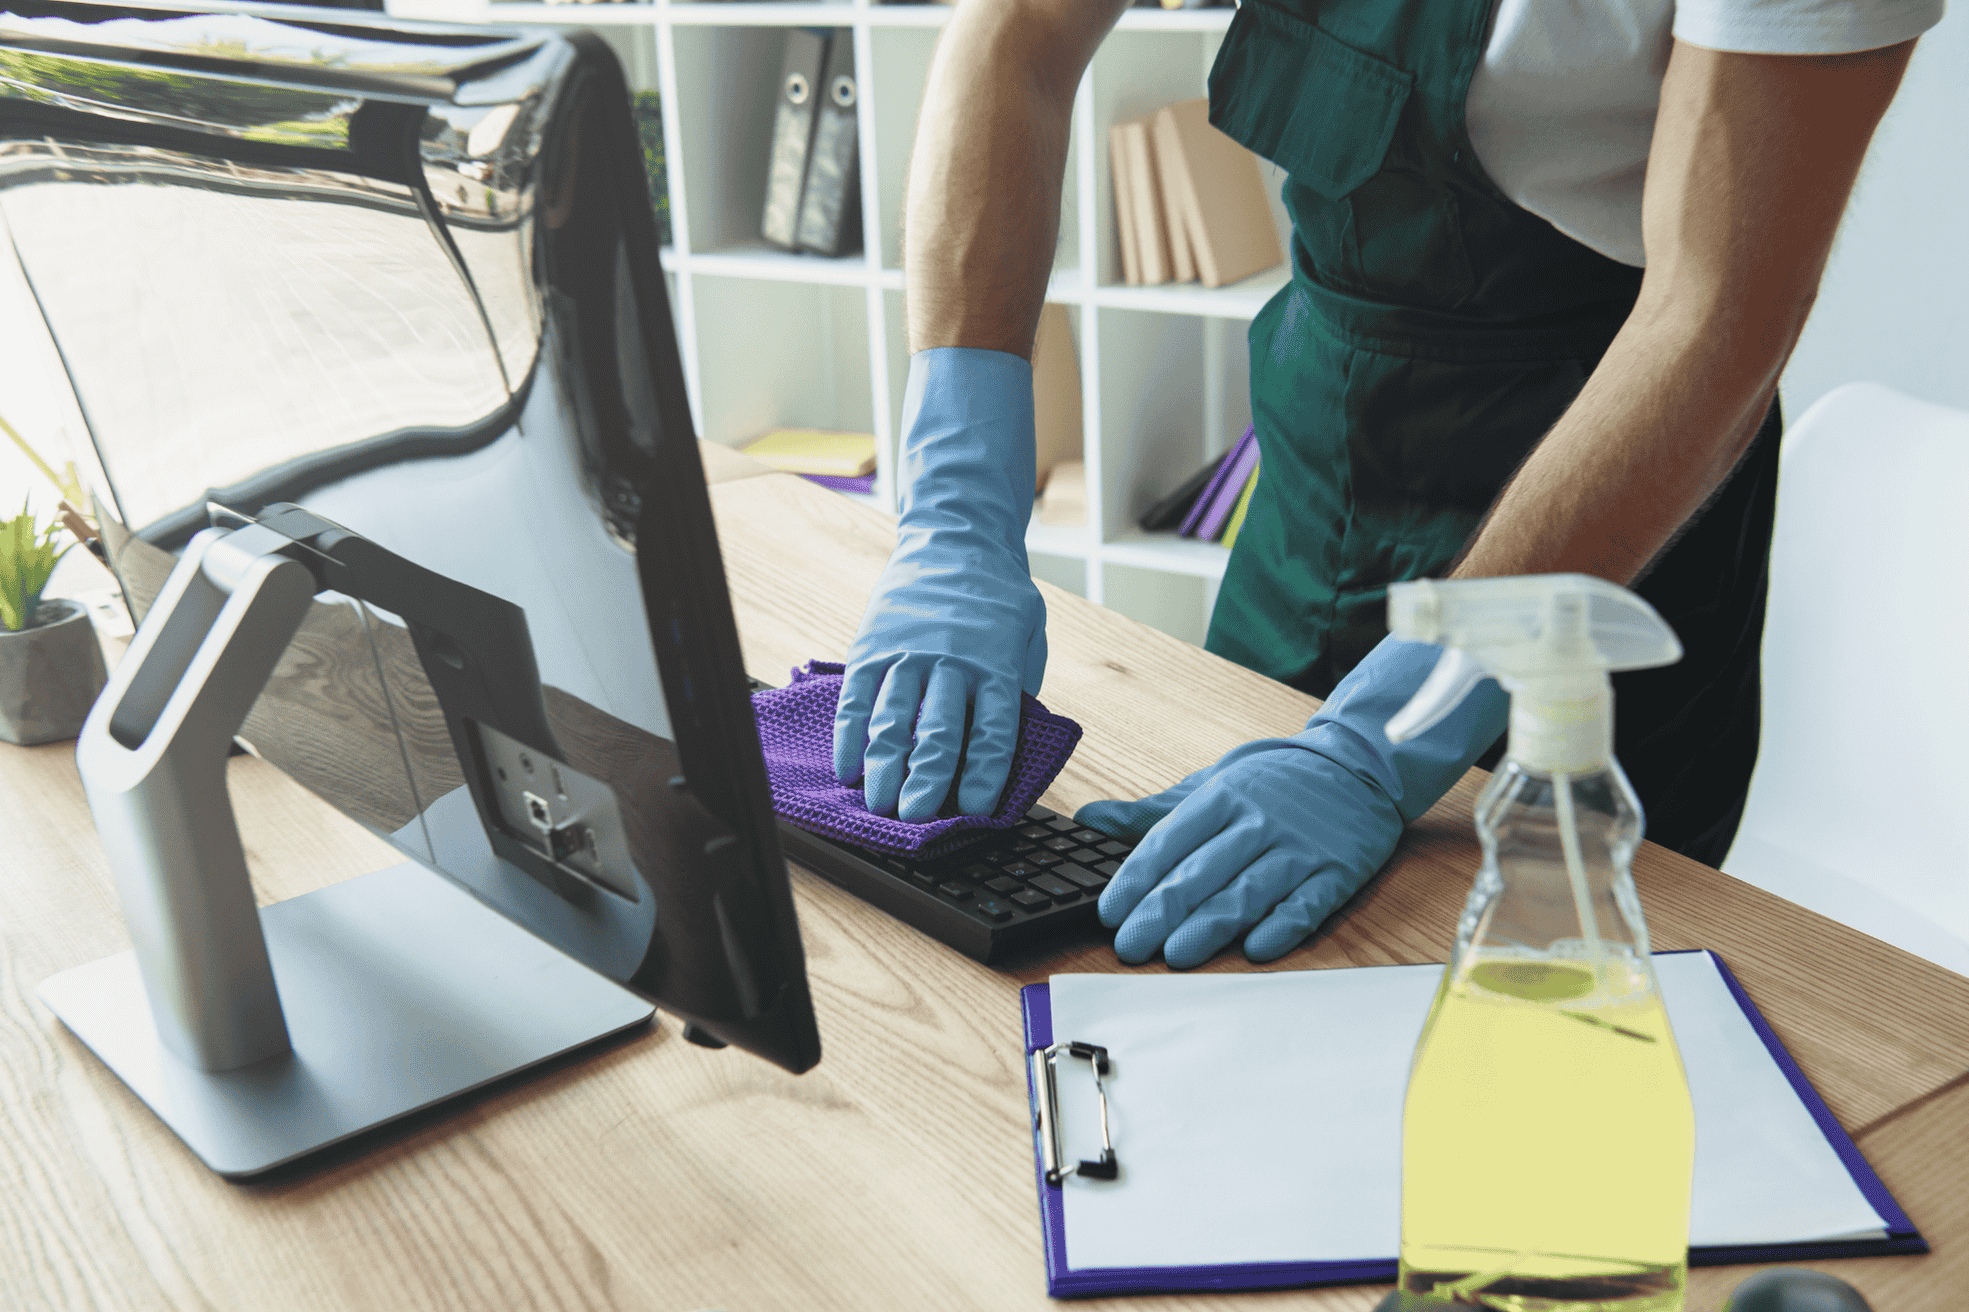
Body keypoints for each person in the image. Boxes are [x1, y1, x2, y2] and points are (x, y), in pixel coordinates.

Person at [831, 0, 1935, 968]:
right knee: (1192, 959)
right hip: (1318, 468)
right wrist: (955, 514)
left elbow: (1715, 317)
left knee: (1537, 1032)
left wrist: (1393, 728)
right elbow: (1017, 30)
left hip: (1595, 527)